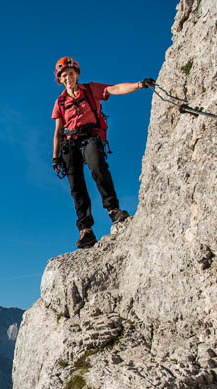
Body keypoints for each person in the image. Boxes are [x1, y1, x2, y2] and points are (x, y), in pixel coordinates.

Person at [51, 56, 153, 249]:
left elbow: (115, 88)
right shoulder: (60, 102)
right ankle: (86, 230)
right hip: (70, 144)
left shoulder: (90, 89)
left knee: (98, 165)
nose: (67, 78)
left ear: (77, 74)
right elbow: (58, 132)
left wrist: (139, 85)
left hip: (90, 137)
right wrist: (55, 157)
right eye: (63, 76)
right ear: (60, 79)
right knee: (76, 186)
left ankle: (113, 209)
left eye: (70, 74)